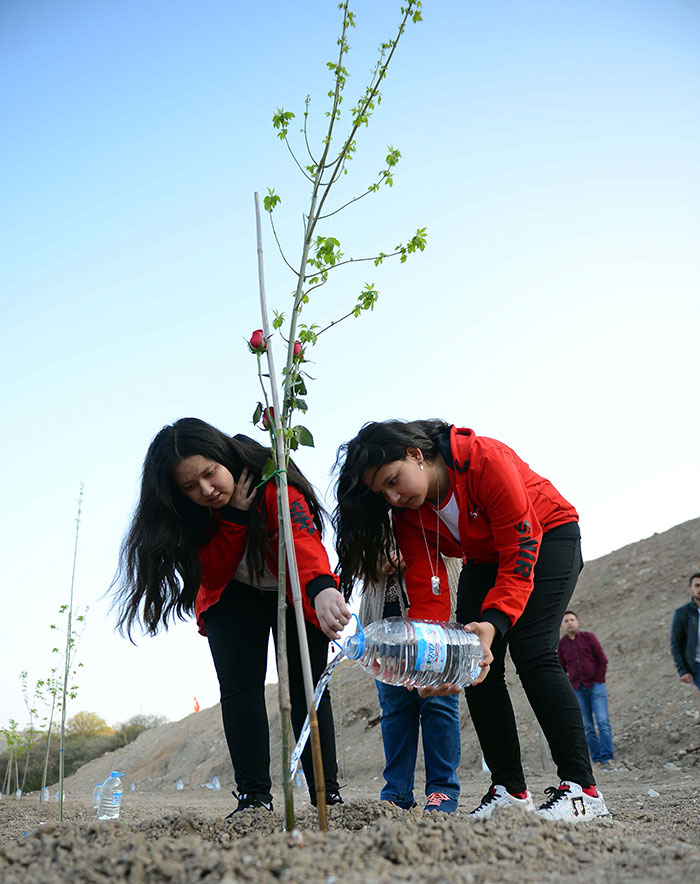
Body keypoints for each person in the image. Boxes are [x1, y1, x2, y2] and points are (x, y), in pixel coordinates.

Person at [333, 419, 609, 822]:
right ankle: (510, 790)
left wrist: (494, 623)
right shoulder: (409, 514)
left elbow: (521, 542)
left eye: (394, 481)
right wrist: (429, 661)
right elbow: (427, 590)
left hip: (546, 535)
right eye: (384, 493)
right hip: (484, 558)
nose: (393, 497)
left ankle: (583, 792)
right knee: (470, 661)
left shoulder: (485, 460)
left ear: (415, 454)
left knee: (533, 654)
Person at [113, 417, 351, 816]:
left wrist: (322, 588)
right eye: (190, 486)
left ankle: (327, 795)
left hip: (294, 591)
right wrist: (236, 520)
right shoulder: (189, 515)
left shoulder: (274, 481)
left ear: (223, 455)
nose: (206, 490)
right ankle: (253, 797)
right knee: (240, 691)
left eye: (209, 474)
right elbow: (213, 573)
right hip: (231, 597)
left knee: (307, 688)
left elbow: (301, 541)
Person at [358, 552, 463, 813]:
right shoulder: (362, 512)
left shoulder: (432, 509)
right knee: (394, 710)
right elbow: (351, 557)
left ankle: (443, 790)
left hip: (436, 609)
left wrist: (413, 552)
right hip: (384, 619)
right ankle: (397, 792)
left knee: (438, 705)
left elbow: (458, 541)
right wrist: (370, 560)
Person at [557, 611, 616, 770]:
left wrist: (598, 679)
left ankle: (608, 758)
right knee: (587, 726)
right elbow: (561, 668)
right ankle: (597, 760)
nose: (570, 623)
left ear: (577, 622)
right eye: (566, 621)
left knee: (603, 722)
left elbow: (602, 659)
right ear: (562, 625)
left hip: (596, 687)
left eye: (572, 620)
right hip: (577, 689)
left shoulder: (589, 638)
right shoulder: (561, 645)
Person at [670, 572, 700, 693]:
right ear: (690, 589)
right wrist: (682, 670)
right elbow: (676, 643)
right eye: (697, 586)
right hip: (698, 665)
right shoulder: (682, 613)